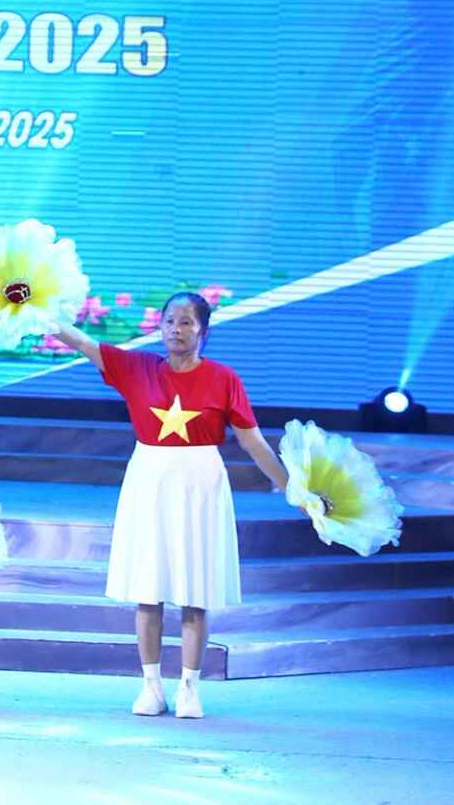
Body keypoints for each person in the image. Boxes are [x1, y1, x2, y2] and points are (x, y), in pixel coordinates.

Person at [51, 291, 289, 719]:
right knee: (149, 588)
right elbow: (82, 342)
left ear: (203, 331)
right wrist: (33, 312)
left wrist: (292, 487)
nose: (176, 331)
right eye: (169, 323)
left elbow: (251, 440)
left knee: (195, 592)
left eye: (186, 323)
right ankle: (150, 686)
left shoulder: (223, 379)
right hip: (150, 479)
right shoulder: (136, 368)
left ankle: (190, 688)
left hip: (200, 482)